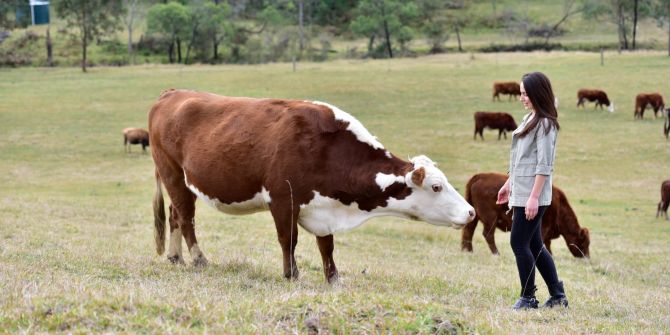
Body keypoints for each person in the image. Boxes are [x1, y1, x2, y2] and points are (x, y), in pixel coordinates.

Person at [496, 72, 568, 310]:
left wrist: (534, 198)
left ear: (538, 93)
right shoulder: (530, 119)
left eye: (526, 93)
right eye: (520, 93)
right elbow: (521, 159)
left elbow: (544, 165)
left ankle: (528, 298)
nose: (521, 98)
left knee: (518, 243)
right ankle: (558, 296)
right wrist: (508, 185)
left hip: (532, 195)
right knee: (535, 244)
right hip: (522, 191)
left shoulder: (546, 124)